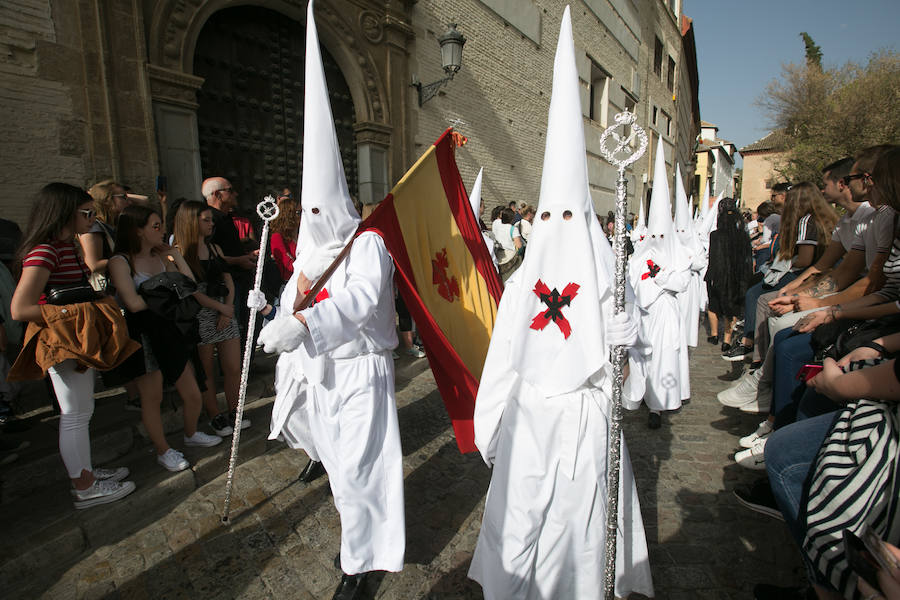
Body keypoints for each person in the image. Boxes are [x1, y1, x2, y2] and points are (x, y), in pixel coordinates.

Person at [468, 10, 653, 598]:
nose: (555, 226)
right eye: (546, 216)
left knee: (580, 537)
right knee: (520, 528)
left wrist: (625, 345)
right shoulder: (524, 283)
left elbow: (631, 390)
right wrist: (490, 425)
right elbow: (502, 358)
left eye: (567, 215)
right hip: (528, 425)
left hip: (586, 426)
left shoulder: (609, 278)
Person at [251, 4, 403, 598]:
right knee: (341, 475)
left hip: (360, 374)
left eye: (321, 210)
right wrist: (270, 314)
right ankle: (360, 545)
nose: (312, 219)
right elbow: (294, 302)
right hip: (319, 376)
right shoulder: (309, 254)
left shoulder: (367, 247)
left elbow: (363, 301)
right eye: (305, 211)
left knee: (363, 473)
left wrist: (306, 325)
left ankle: (361, 566)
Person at [10, 182, 135, 508]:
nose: (92, 219)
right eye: (86, 213)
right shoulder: (45, 250)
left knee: (82, 411)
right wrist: (75, 312)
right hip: (61, 339)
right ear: (65, 212)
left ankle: (87, 474)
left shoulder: (65, 247)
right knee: (74, 414)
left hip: (75, 337)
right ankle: (85, 487)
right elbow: (20, 308)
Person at [108, 205, 222, 472]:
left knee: (193, 392)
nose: (162, 231)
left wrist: (174, 256)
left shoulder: (162, 257)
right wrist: (168, 297)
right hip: (144, 335)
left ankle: (191, 432)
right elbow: (134, 304)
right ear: (138, 231)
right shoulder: (120, 261)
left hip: (171, 330)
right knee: (153, 397)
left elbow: (189, 284)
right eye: (155, 226)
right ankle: (163, 450)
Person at [628, 136, 693, 428]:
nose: (657, 241)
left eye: (661, 236)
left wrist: (663, 277)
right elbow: (631, 281)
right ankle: (640, 394)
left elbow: (681, 282)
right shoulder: (639, 256)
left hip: (664, 315)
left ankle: (659, 404)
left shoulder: (677, 253)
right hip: (643, 315)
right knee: (642, 356)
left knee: (663, 356)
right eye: (653, 236)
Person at [174, 200, 248, 437]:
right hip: (201, 314)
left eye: (210, 219)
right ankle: (214, 413)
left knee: (233, 366)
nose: (211, 223)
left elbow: (228, 280)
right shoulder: (179, 253)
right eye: (205, 219)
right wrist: (221, 309)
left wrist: (227, 308)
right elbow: (192, 290)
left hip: (223, 309)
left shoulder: (214, 248)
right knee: (206, 370)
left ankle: (235, 410)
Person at [269, 194, 300, 283]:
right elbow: (288, 264)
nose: (302, 216)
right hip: (290, 283)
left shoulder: (300, 234)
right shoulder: (277, 237)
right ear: (288, 215)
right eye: (298, 212)